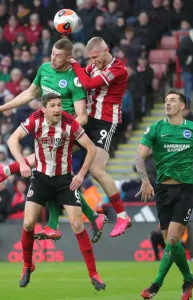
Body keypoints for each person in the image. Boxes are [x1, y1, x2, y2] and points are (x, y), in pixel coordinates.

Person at [0, 39, 108, 243]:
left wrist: (66, 130)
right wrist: (2, 107)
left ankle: (6, 172)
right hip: (48, 130)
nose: (52, 58)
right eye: (51, 54)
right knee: (54, 176)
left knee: (47, 171)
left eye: (58, 56)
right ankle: (93, 217)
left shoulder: (75, 78)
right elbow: (30, 93)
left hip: (67, 133)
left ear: (68, 58)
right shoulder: (45, 69)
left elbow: (82, 115)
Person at [7, 93, 105, 290]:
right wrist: (21, 163)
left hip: (64, 180)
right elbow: (12, 140)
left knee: (77, 224)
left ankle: (94, 274)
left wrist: (81, 174)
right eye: (52, 106)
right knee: (28, 224)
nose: (57, 109)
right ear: (44, 109)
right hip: (41, 179)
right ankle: (27, 266)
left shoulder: (70, 123)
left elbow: (91, 148)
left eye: (59, 105)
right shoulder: (35, 119)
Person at [135, 90, 193, 300]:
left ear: (182, 106)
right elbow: (139, 156)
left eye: (172, 100)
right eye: (165, 100)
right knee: (170, 244)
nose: (167, 103)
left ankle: (155, 285)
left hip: (185, 189)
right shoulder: (155, 128)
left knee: (173, 238)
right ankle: (189, 278)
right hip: (163, 190)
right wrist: (145, 180)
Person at [69, 37, 132, 237]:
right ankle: (9, 168)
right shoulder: (94, 66)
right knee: (55, 148)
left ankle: (122, 215)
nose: (93, 61)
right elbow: (78, 79)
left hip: (105, 122)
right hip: (88, 119)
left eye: (96, 57)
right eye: (90, 58)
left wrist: (74, 64)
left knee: (96, 170)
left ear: (106, 50)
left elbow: (86, 84)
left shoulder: (118, 70)